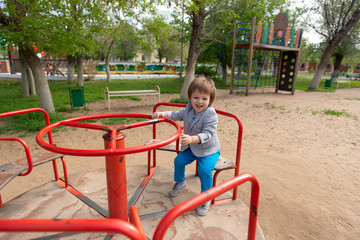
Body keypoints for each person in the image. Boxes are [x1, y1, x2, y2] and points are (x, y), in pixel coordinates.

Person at [152, 76, 220, 216]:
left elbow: (208, 134)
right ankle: (180, 182)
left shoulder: (210, 114)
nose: (199, 102)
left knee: (204, 170)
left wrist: (192, 139)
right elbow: (176, 114)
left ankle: (206, 198)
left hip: (208, 150)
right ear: (190, 98)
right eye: (196, 97)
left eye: (204, 99)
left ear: (210, 100)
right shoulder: (189, 109)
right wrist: (163, 114)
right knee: (179, 161)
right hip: (193, 148)